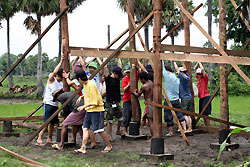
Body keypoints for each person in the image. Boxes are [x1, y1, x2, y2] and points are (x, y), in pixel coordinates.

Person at [74, 70, 112, 154]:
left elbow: (95, 102)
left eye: (77, 80)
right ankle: (83, 147)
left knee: (99, 129)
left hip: (96, 110)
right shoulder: (85, 84)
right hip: (89, 110)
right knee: (85, 128)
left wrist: (83, 106)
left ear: (80, 78)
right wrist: (81, 97)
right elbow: (88, 94)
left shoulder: (91, 85)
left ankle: (108, 145)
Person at [36, 56, 64, 145]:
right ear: (57, 76)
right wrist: (60, 62)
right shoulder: (52, 80)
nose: (61, 79)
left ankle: (49, 137)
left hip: (55, 105)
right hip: (48, 103)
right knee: (46, 122)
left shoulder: (61, 84)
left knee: (52, 122)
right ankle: (39, 137)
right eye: (60, 77)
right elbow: (55, 71)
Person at [162, 61, 187, 136]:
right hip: (176, 99)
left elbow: (162, 67)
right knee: (179, 114)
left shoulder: (167, 76)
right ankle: (185, 129)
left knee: (168, 116)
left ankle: (171, 132)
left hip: (169, 100)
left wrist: (162, 59)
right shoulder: (176, 78)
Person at [104, 58, 123, 141]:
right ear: (115, 73)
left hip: (117, 101)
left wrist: (118, 58)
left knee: (120, 117)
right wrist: (105, 60)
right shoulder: (108, 79)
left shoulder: (117, 79)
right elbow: (105, 68)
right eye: (119, 75)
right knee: (110, 120)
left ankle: (118, 130)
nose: (120, 78)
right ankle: (110, 135)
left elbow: (120, 66)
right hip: (110, 102)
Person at [131, 71, 154, 138]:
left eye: (141, 79)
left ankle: (153, 136)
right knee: (154, 120)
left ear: (143, 78)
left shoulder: (144, 86)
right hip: (154, 103)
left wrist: (134, 92)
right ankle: (155, 135)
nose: (140, 81)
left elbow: (138, 95)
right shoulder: (151, 83)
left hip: (149, 104)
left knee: (150, 121)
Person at [174, 62, 192, 133]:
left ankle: (189, 129)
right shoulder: (188, 77)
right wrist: (182, 62)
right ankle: (190, 128)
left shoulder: (182, 77)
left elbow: (177, 69)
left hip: (184, 98)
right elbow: (186, 69)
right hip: (189, 97)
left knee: (184, 114)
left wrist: (174, 62)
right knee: (188, 114)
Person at [194, 62, 211, 127]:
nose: (199, 75)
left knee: (206, 113)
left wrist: (200, 63)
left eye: (200, 74)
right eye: (198, 74)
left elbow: (203, 69)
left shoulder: (205, 78)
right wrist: (197, 63)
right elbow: (194, 68)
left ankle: (208, 126)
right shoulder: (198, 78)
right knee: (202, 113)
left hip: (206, 96)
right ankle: (205, 125)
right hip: (201, 97)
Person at [121, 65, 132, 135]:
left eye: (129, 72)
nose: (128, 74)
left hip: (133, 99)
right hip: (127, 99)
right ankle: (124, 130)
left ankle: (136, 129)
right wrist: (128, 85)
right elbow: (124, 89)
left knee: (136, 113)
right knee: (126, 114)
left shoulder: (134, 76)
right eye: (127, 72)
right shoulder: (124, 79)